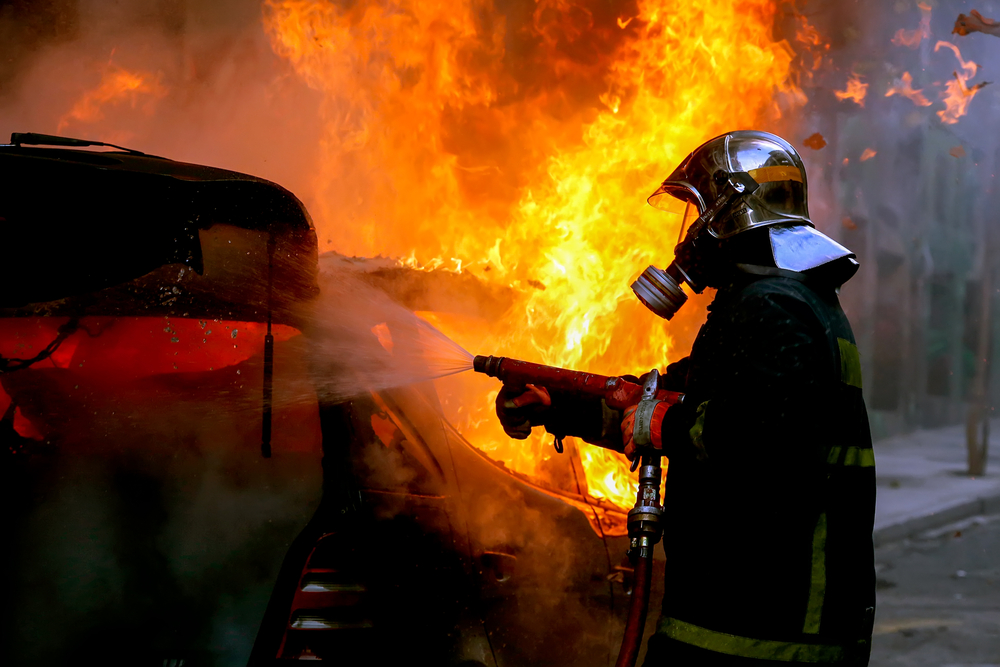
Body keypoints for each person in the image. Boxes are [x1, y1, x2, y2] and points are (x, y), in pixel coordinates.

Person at [495, 130, 876, 666]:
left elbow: (761, 434)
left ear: (730, 211)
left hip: (760, 630)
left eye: (698, 212)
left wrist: (665, 426)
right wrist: (555, 405)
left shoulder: (774, 308)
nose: (690, 235)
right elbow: (662, 397)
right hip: (752, 622)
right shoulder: (784, 304)